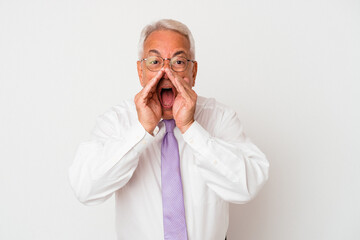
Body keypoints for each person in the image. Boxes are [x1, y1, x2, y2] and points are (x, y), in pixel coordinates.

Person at [69, 19, 269, 240]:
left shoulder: (220, 117)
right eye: (154, 61)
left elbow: (247, 186)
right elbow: (85, 189)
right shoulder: (116, 121)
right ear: (140, 71)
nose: (166, 72)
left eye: (178, 62)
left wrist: (191, 129)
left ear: (193, 72)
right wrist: (142, 131)